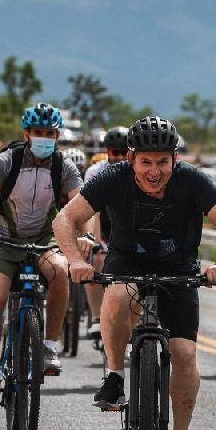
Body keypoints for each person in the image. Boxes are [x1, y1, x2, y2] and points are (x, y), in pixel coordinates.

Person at [53, 116, 216, 430]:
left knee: (185, 354)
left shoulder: (191, 180)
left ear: (174, 159)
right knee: (118, 292)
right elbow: (65, 219)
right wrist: (75, 259)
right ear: (131, 159)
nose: (154, 171)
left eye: (162, 162)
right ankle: (114, 375)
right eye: (145, 162)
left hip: (180, 268)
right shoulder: (111, 179)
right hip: (128, 261)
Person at [0, 102, 83, 407]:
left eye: (50, 133)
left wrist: (86, 236)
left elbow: (83, 204)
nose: (44, 138)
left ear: (57, 135)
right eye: (37, 132)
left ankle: (48, 346)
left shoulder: (64, 167)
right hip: (5, 240)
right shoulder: (7, 161)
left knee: (61, 272)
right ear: (26, 133)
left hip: (45, 239)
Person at [80, 126, 129, 337]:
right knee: (96, 262)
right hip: (103, 226)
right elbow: (93, 210)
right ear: (107, 151)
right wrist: (94, 240)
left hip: (127, 226)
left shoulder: (138, 170)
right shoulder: (95, 172)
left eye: (122, 152)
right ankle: (97, 318)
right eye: (113, 152)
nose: (118, 157)